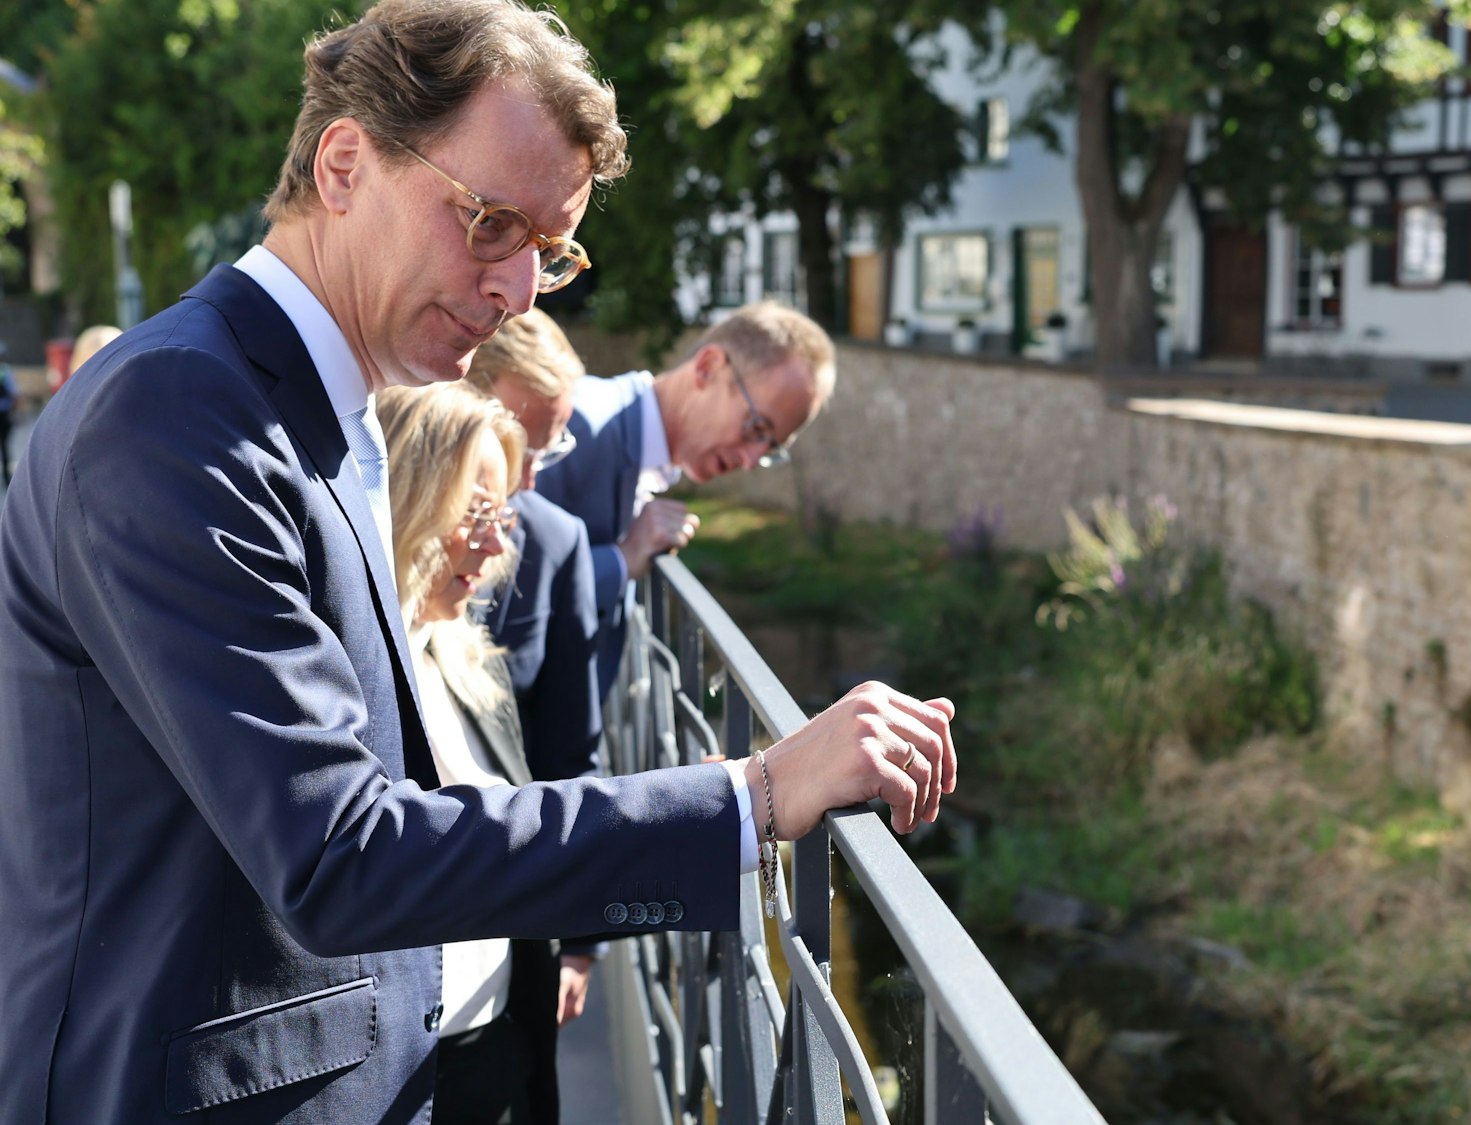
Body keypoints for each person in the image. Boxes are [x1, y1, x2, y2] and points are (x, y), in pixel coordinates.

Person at [0, 2, 955, 1121]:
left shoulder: (321, 405)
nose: (517, 292)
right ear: (344, 162)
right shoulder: (180, 411)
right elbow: (337, 853)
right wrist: (755, 793)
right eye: (491, 225)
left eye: (549, 252)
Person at [377, 383, 559, 1124]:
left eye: (502, 515)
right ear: (401, 497)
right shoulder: (340, 685)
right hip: (402, 1083)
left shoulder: (469, 660)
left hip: (494, 1053)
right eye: (474, 514)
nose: (495, 546)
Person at [536, 301, 835, 687]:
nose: (750, 459)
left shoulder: (631, 443)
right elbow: (502, 593)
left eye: (771, 448)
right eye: (757, 427)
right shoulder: (577, 429)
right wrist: (623, 559)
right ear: (708, 367)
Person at [463, 308, 606, 1032]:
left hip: (511, 916)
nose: (525, 483)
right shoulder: (373, 522)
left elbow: (569, 749)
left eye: (545, 456)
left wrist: (578, 942)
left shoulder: (554, 543)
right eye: (517, 444)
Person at [0, 342, 14, 487]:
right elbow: (13, 393)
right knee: (4, 447)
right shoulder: (6, 371)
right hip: (4, 414)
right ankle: (5, 478)